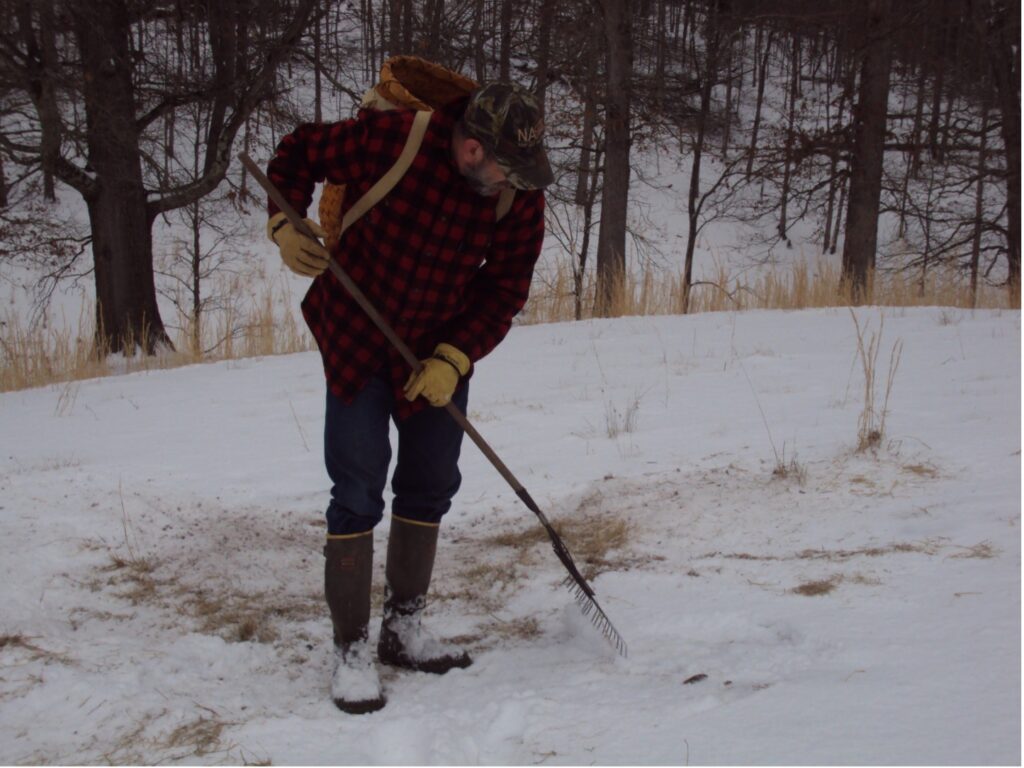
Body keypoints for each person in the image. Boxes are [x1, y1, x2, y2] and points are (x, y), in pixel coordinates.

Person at [265, 82, 552, 714]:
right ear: (472, 148)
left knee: (428, 483)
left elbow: (505, 287)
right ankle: (350, 650)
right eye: (508, 169)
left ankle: (403, 628)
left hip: (434, 355)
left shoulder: (517, 196)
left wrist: (455, 356)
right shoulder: (395, 141)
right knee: (358, 488)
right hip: (357, 338)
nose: (520, 184)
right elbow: (297, 151)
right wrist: (285, 221)